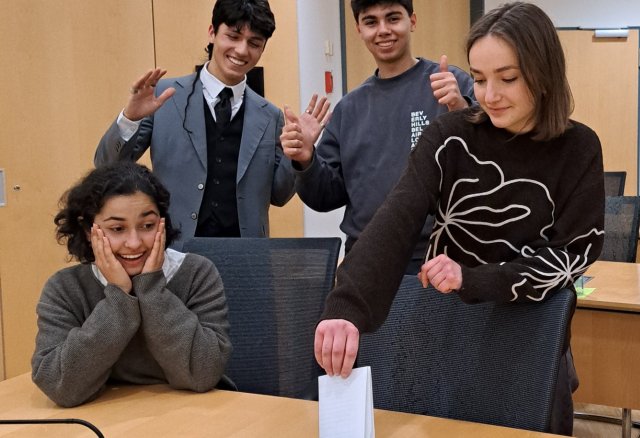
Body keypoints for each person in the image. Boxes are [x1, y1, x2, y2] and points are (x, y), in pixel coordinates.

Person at [312, 3, 604, 435]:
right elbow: (398, 216)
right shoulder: (450, 135)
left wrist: (474, 279)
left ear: (543, 74)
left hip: (530, 331)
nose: (489, 95)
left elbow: (573, 253)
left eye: (507, 78)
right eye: (480, 78)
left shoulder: (578, 147)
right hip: (445, 325)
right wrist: (347, 305)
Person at [96, 0, 329, 249]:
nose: (241, 50)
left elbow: (279, 195)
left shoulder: (270, 116)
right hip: (176, 252)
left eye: (254, 43)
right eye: (233, 36)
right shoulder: (165, 96)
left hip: (246, 259)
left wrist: (300, 155)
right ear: (212, 32)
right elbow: (107, 166)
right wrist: (130, 119)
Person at [281, 0, 474, 273]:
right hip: (366, 259)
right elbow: (324, 197)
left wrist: (460, 109)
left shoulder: (450, 85)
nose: (383, 30)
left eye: (393, 18)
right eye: (371, 22)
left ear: (412, 21)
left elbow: (488, 160)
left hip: (439, 258)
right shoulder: (349, 109)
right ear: (359, 29)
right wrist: (305, 159)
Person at [32, 162, 233, 407]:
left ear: (162, 223)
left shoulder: (196, 273)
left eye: (147, 226)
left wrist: (150, 288)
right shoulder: (64, 289)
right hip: (109, 417)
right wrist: (118, 296)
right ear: (88, 230)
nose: (134, 243)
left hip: (196, 413)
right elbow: (60, 385)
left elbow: (203, 373)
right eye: (117, 229)